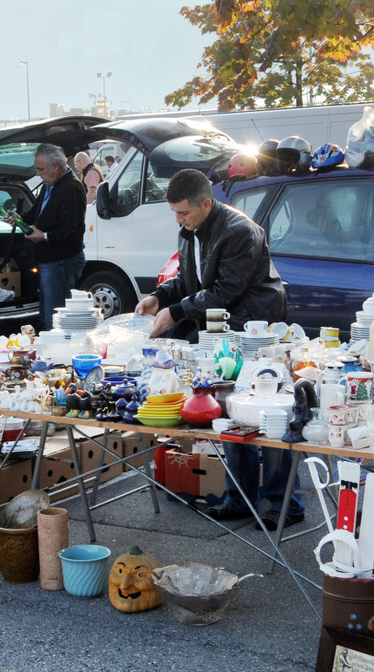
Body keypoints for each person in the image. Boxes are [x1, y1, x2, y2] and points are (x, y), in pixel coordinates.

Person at [135, 169, 303, 528]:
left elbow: (225, 291)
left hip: (255, 329)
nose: (178, 220)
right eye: (175, 214)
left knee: (267, 414)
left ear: (206, 204)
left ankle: (285, 503)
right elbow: (188, 279)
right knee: (230, 411)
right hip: (222, 333)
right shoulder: (191, 230)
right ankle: (240, 497)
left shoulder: (240, 231)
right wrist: (158, 296)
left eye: (184, 213)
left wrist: (175, 311)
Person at [12, 143, 86, 332]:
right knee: (47, 317)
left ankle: (58, 357)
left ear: (56, 166)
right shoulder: (50, 184)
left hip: (61, 261)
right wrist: (20, 219)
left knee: (55, 320)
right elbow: (37, 213)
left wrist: (44, 236)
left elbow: (74, 230)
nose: (38, 174)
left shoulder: (72, 188)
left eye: (41, 169)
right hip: (49, 261)